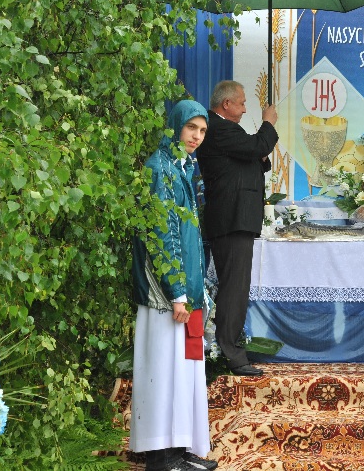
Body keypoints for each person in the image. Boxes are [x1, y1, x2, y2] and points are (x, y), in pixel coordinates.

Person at [130, 100, 218, 471]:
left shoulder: (180, 167)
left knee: (183, 373)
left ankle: (180, 450)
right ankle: (161, 458)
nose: (197, 136)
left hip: (185, 295)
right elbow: (162, 237)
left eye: (202, 131)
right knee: (164, 373)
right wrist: (177, 293)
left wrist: (195, 293)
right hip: (166, 297)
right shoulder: (159, 169)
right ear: (176, 126)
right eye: (191, 128)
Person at [196, 80, 279, 377]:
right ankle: (231, 353)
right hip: (231, 219)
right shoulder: (218, 128)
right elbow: (257, 147)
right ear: (226, 104)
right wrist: (268, 123)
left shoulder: (225, 130)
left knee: (236, 287)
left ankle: (227, 347)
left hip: (235, 220)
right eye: (242, 103)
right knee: (234, 288)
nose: (245, 109)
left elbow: (252, 158)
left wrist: (258, 151)